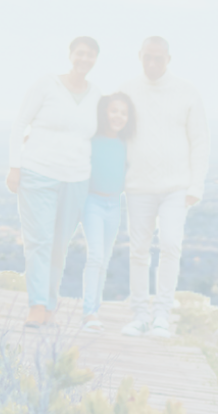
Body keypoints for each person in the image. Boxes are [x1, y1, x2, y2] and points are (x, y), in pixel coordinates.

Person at [118, 36, 210, 338]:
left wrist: (196, 185)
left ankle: (162, 317)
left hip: (176, 188)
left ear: (168, 59)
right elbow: (111, 132)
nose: (153, 63)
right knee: (138, 251)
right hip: (137, 186)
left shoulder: (188, 93)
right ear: (139, 56)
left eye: (159, 58)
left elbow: (199, 141)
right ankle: (140, 316)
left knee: (170, 245)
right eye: (148, 57)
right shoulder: (127, 91)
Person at [8, 36, 102, 328]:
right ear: (71, 54)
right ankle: (37, 304)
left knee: (59, 245)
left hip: (76, 179)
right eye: (80, 53)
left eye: (91, 55)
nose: (84, 59)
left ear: (95, 60)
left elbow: (100, 137)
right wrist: (15, 165)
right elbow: (19, 124)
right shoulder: (46, 85)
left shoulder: (97, 95)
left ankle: (50, 302)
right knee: (39, 241)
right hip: (38, 173)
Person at [81, 93, 134, 333]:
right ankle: (88, 312)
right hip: (92, 202)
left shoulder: (125, 144)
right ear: (105, 112)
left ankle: (95, 309)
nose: (118, 116)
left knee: (103, 260)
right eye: (114, 111)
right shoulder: (92, 140)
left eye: (123, 113)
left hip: (115, 205)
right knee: (95, 256)